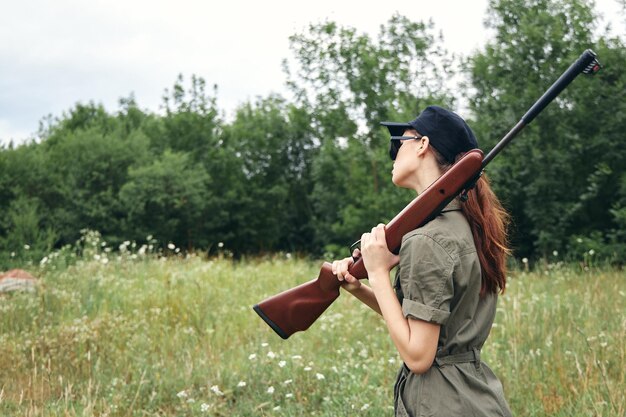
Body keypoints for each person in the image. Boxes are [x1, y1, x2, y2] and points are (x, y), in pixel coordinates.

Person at [332, 106, 513, 416]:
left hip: (442, 402)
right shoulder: (466, 226)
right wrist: (360, 287)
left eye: (397, 143)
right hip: (472, 396)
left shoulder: (426, 240)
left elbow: (419, 356)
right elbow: (428, 322)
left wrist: (377, 272)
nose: (392, 154)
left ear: (422, 144)